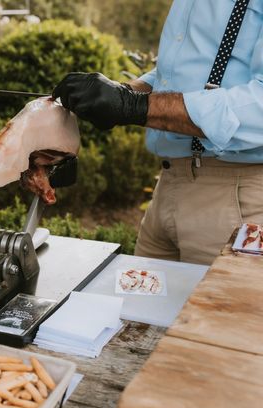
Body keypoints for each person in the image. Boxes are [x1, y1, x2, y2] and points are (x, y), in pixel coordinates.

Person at [52, 0, 263, 265]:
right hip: (168, 187)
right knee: (137, 306)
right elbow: (184, 75)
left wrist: (134, 107)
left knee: (219, 307)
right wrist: (124, 93)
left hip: (237, 199)